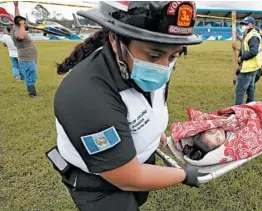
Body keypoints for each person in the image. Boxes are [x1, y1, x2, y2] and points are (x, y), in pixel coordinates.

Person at [46, 2, 202, 210]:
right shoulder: (86, 96)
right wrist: (183, 174)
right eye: (154, 56)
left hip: (138, 162)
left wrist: (156, 133)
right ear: (115, 39)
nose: (164, 67)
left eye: (173, 56)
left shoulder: (147, 67)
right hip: (99, 185)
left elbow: (147, 105)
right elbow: (128, 177)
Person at [232, 16, 262, 105]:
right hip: (253, 67)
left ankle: (238, 111)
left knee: (239, 91)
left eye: (244, 24)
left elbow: (253, 51)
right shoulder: (250, 34)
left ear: (250, 25)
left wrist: (241, 58)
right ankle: (251, 108)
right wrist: (238, 39)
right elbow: (245, 46)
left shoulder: (253, 36)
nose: (243, 26)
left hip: (248, 68)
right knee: (251, 90)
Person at [11, 1, 39, 98]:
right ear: (20, 23)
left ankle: (32, 91)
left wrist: (16, 6)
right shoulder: (17, 30)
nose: (26, 24)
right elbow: (20, 36)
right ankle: (32, 94)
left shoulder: (16, 25)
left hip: (30, 56)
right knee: (30, 74)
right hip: (26, 58)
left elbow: (17, 17)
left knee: (32, 73)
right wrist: (22, 25)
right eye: (24, 22)